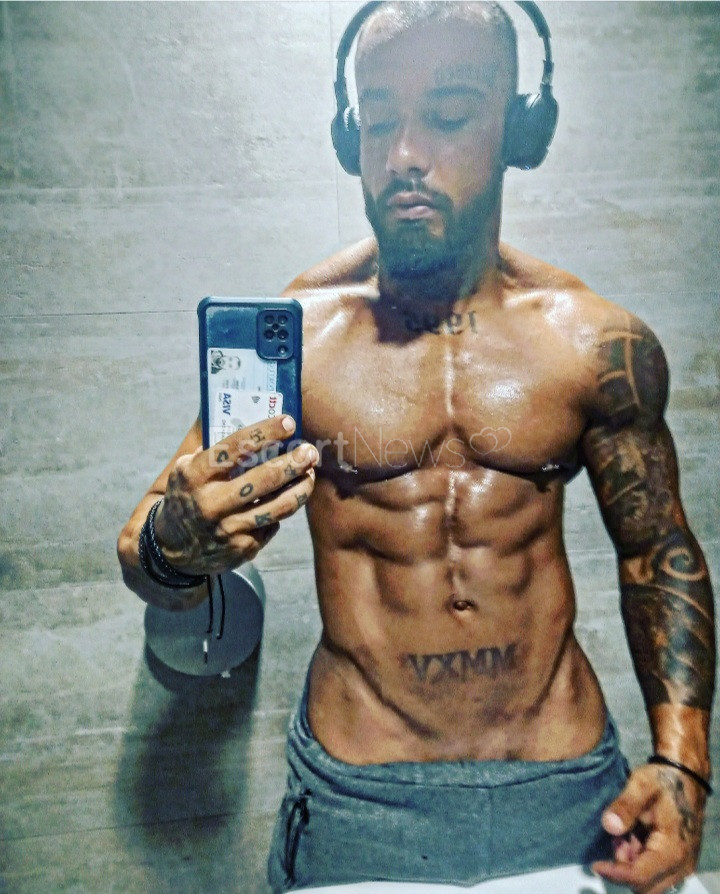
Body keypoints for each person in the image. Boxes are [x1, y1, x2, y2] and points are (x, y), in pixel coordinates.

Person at [117, 3, 716, 892]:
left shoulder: (595, 342)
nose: (404, 152)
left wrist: (683, 765)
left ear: (519, 129)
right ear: (349, 135)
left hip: (567, 785)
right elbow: (143, 547)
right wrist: (179, 545)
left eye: (448, 115)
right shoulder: (299, 336)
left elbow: (657, 551)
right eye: (378, 120)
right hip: (360, 804)